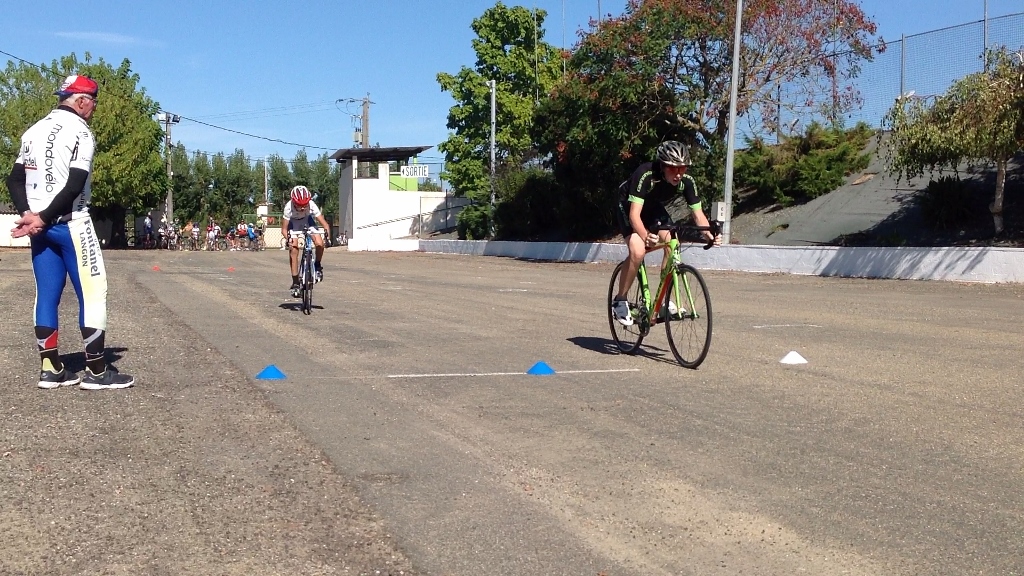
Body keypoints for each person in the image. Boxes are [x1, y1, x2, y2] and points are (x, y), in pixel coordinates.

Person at [5, 75, 134, 389]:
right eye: (93, 102)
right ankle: (97, 372)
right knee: (92, 293)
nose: (93, 109)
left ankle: (50, 369)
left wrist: (29, 216)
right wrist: (45, 218)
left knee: (46, 294)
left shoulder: (33, 130)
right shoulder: (81, 132)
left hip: (40, 228)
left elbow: (14, 180)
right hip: (71, 224)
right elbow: (74, 185)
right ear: (81, 100)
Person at [611, 141, 721, 326]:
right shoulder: (645, 174)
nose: (678, 174)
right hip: (629, 206)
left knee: (673, 242)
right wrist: (645, 235)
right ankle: (620, 300)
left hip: (653, 208)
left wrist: (709, 235)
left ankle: (662, 301)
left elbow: (698, 214)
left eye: (682, 168)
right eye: (672, 168)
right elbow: (634, 216)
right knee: (637, 250)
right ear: (662, 166)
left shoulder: (687, 182)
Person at [281, 185, 330, 294]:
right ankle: (295, 281)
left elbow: (325, 225)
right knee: (294, 249)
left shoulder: (312, 205)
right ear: (293, 202)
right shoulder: (288, 208)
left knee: (319, 243)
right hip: (293, 224)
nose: (303, 208)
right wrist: (289, 239)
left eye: (305, 205)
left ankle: (317, 266)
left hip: (308, 221)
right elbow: (284, 230)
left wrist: (327, 237)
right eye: (299, 205)